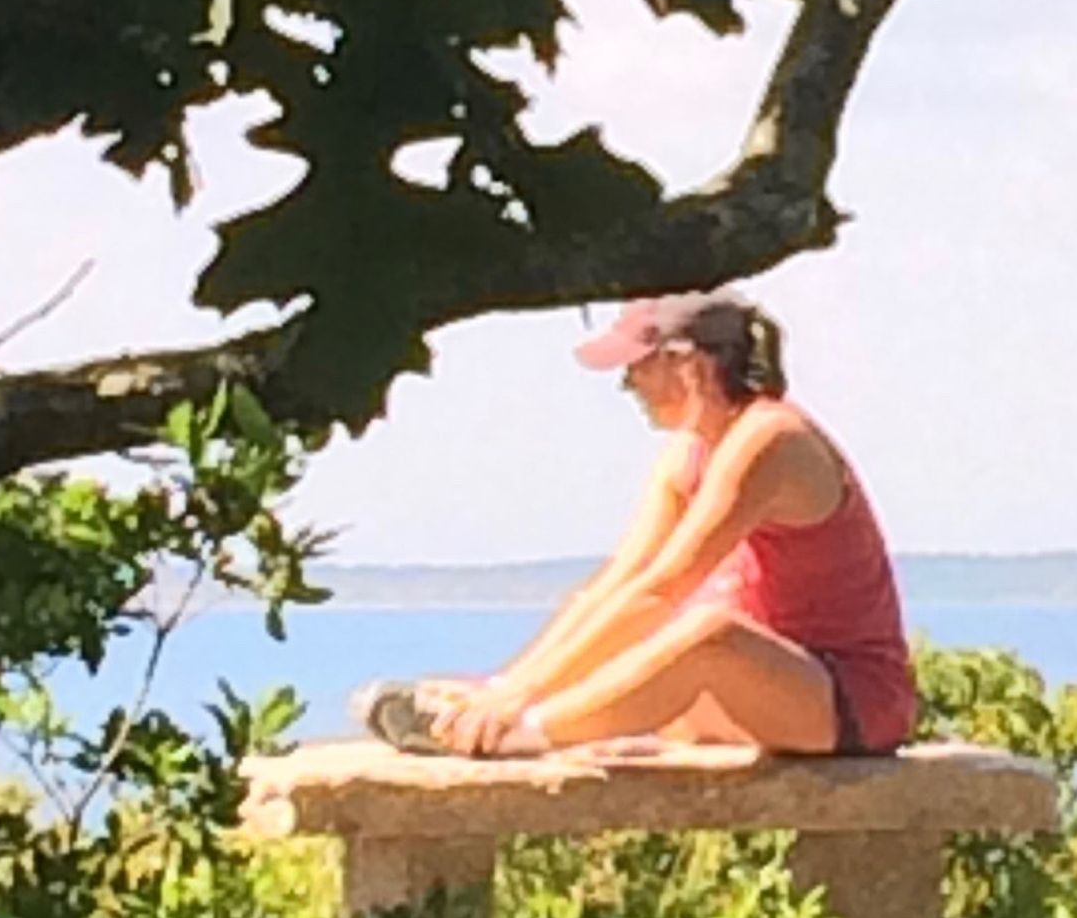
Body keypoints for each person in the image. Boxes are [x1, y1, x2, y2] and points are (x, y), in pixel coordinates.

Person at [349, 292, 915, 760]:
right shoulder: (689, 451)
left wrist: (523, 699)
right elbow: (623, 580)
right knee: (607, 614)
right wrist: (506, 685)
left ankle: (516, 738)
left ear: (687, 363)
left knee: (705, 634)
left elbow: (665, 587)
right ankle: (502, 717)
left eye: (635, 368)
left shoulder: (770, 439)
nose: (627, 387)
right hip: (772, 695)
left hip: (850, 701)